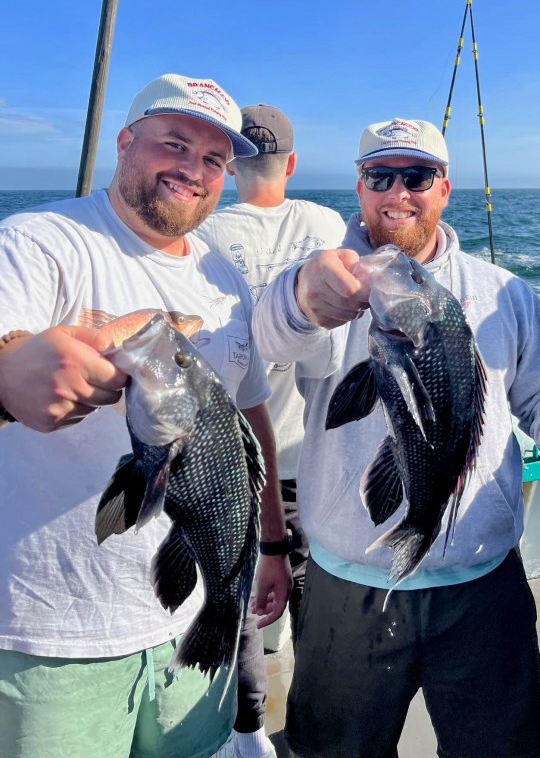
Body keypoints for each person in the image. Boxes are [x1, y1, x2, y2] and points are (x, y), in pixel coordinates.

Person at [251, 117, 540, 758]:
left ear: (444, 188)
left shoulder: (504, 292)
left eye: (417, 176)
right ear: (359, 187)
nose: (398, 192)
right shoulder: (322, 281)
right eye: (381, 176)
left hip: (483, 585)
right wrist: (299, 298)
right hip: (347, 590)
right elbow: (267, 340)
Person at [0, 74, 292, 758]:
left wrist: (272, 546)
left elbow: (248, 418)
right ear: (126, 142)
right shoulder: (39, 240)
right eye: (174, 144)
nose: (193, 169)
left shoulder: (224, 277)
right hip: (56, 635)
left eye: (214, 160)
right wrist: (9, 374)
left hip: (193, 614)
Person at [198, 104, 346, 758]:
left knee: (233, 605)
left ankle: (247, 732)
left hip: (230, 467)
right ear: (290, 163)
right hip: (310, 462)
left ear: (228, 164)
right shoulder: (326, 223)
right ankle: (320, 733)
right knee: (321, 610)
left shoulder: (199, 233)